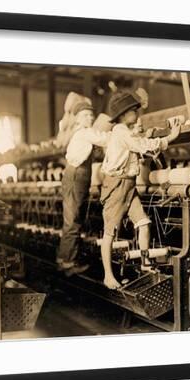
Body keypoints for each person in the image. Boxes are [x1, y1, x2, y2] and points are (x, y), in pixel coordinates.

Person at [99, 91, 181, 289]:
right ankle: (108, 276)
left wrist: (149, 134)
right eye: (134, 110)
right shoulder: (121, 132)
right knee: (110, 233)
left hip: (129, 185)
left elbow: (138, 140)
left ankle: (145, 263)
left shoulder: (124, 132)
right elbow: (142, 145)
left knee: (144, 223)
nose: (137, 112)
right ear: (124, 114)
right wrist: (170, 138)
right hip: (117, 185)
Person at [56, 101, 111, 275]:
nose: (91, 117)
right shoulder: (85, 132)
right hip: (76, 176)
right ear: (79, 118)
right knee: (73, 220)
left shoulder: (79, 133)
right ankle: (68, 263)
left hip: (76, 176)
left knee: (72, 219)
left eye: (91, 115)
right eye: (86, 115)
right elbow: (105, 139)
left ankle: (63, 258)